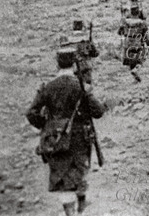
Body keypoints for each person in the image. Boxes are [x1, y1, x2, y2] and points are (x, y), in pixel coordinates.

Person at [26, 46, 106, 216]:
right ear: (74, 64)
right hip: (79, 138)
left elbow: (31, 113)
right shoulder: (80, 87)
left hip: (55, 139)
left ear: (57, 63)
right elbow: (98, 111)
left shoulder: (48, 87)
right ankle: (82, 208)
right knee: (79, 171)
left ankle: (69, 212)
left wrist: (47, 126)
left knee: (61, 176)